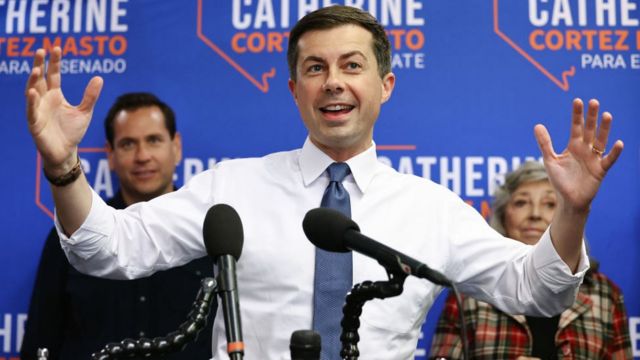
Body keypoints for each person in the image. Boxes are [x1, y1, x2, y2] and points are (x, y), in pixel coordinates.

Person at [24, 5, 624, 359]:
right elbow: (106, 248)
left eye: (351, 65)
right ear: (294, 90)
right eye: (315, 68)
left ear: (386, 86)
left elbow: (538, 293)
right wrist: (63, 169)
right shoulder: (231, 188)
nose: (333, 82)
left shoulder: (431, 209)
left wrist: (572, 213)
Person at [20, 93, 216, 360]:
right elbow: (40, 342)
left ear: (176, 147)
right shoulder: (71, 235)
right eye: (128, 144)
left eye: (154, 140)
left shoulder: (208, 232)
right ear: (110, 155)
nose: (143, 156)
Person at [428, 161, 633, 359]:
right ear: (502, 216)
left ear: (570, 219)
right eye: (522, 202)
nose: (535, 214)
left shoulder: (605, 295)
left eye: (550, 204)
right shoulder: (470, 289)